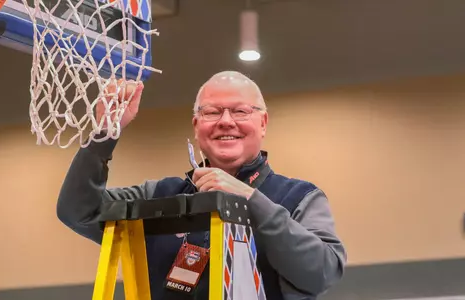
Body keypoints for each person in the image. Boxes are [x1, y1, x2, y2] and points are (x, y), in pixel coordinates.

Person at [57, 71, 347, 300]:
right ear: (196, 126)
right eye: (211, 112)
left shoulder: (299, 198)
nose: (225, 121)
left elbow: (321, 273)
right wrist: (105, 134)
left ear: (263, 123)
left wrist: (251, 200)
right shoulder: (160, 196)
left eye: (241, 112)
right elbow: (78, 211)